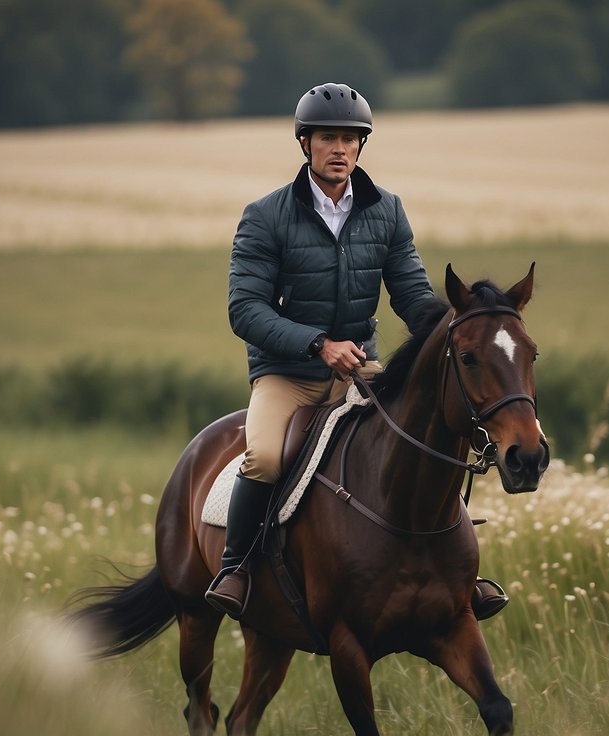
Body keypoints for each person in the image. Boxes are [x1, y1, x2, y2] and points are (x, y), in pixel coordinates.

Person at [205, 82, 508, 621]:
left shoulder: (385, 210)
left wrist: (459, 328)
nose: (339, 148)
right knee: (266, 458)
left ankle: (459, 571)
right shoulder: (265, 216)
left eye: (350, 138)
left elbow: (413, 295)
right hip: (288, 373)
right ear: (305, 144)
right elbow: (244, 311)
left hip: (360, 371)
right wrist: (317, 344)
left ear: (361, 146)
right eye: (328, 138)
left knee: (428, 433)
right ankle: (237, 566)